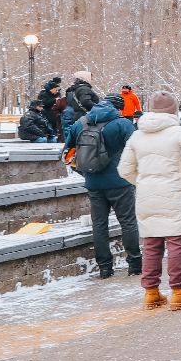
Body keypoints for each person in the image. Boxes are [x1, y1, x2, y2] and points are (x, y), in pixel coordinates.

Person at [117, 90, 181, 310]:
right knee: (177, 244)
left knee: (151, 245)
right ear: (174, 110)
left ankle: (151, 293)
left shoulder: (137, 136)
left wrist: (144, 182)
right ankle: (179, 292)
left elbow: (124, 169)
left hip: (147, 196)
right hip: (176, 195)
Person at [64, 96, 141, 279]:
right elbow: (138, 150)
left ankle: (105, 268)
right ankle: (135, 264)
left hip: (93, 183)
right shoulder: (122, 124)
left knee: (99, 225)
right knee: (128, 222)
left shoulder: (80, 123)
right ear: (119, 109)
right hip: (121, 182)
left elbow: (68, 153)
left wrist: (86, 173)